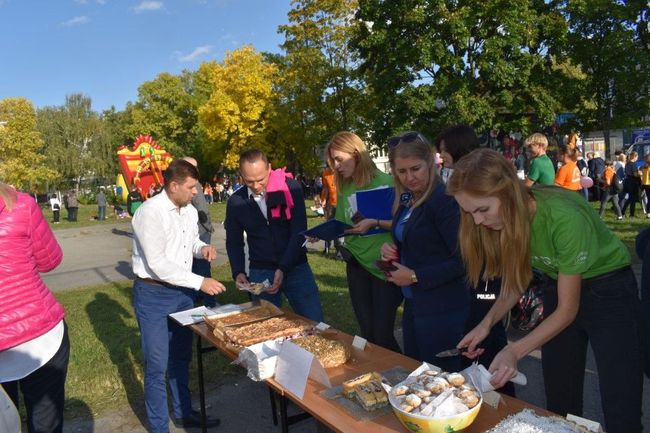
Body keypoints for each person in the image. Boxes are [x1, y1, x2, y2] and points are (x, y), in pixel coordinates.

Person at [447, 149, 643, 433]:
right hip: (558, 283)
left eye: (482, 210)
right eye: (469, 213)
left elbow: (568, 310)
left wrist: (515, 350)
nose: (477, 222)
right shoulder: (505, 220)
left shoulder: (563, 216)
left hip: (610, 289)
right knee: (560, 397)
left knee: (620, 398)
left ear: (508, 193)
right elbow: (516, 280)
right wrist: (485, 325)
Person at [131, 159, 225, 433]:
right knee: (157, 365)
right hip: (153, 294)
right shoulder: (150, 213)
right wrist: (201, 282)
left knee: (181, 358)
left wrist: (202, 249)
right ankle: (160, 426)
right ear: (173, 186)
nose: (196, 192)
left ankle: (184, 413)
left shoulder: (189, 211)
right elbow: (158, 263)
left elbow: (190, 241)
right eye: (191, 187)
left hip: (181, 294)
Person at [379, 132, 469, 371]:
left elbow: (464, 261)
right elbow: (421, 244)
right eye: (402, 171)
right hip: (415, 305)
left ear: (431, 163)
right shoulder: (408, 198)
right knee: (419, 376)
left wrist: (415, 275)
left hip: (443, 309)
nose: (409, 177)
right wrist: (395, 252)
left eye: (415, 169)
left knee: (443, 383)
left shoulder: (444, 201)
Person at [0, 183, 69, 433]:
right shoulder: (21, 204)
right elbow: (50, 260)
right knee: (47, 425)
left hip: (37, 335)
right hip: (41, 336)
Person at [225, 149, 323, 322]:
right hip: (260, 271)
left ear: (269, 168)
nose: (255, 186)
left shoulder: (290, 188)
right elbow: (234, 241)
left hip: (295, 266)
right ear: (241, 175)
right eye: (249, 181)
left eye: (260, 179)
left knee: (314, 321)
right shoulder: (236, 202)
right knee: (267, 326)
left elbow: (298, 231)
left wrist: (283, 267)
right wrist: (238, 271)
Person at [325, 132, 402, 352]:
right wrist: (324, 232)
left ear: (357, 154)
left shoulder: (388, 183)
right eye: (333, 161)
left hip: (384, 267)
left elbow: (403, 223)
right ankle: (382, 380)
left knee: (382, 335)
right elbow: (342, 222)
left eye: (339, 159)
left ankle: (406, 379)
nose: (336, 166)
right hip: (357, 265)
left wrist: (375, 222)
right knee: (368, 332)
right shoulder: (344, 186)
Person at [182, 157, 216, 307]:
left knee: (199, 263)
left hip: (197, 233)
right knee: (200, 267)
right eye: (192, 167)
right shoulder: (194, 185)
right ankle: (208, 300)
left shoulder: (192, 187)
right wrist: (209, 227)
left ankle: (202, 298)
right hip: (200, 229)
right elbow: (202, 208)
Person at [320, 164, 340, 256]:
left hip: (340, 204)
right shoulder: (326, 174)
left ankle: (339, 250)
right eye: (329, 165)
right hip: (330, 204)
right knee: (328, 226)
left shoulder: (341, 172)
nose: (332, 167)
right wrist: (323, 199)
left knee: (339, 227)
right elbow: (325, 188)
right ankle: (327, 248)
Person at [621, 151, 642, 218]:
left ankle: (623, 212)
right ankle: (631, 214)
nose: (637, 158)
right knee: (632, 199)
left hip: (628, 182)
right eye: (637, 156)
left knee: (630, 199)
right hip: (634, 182)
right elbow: (635, 174)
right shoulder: (633, 164)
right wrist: (640, 174)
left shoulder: (627, 163)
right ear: (634, 156)